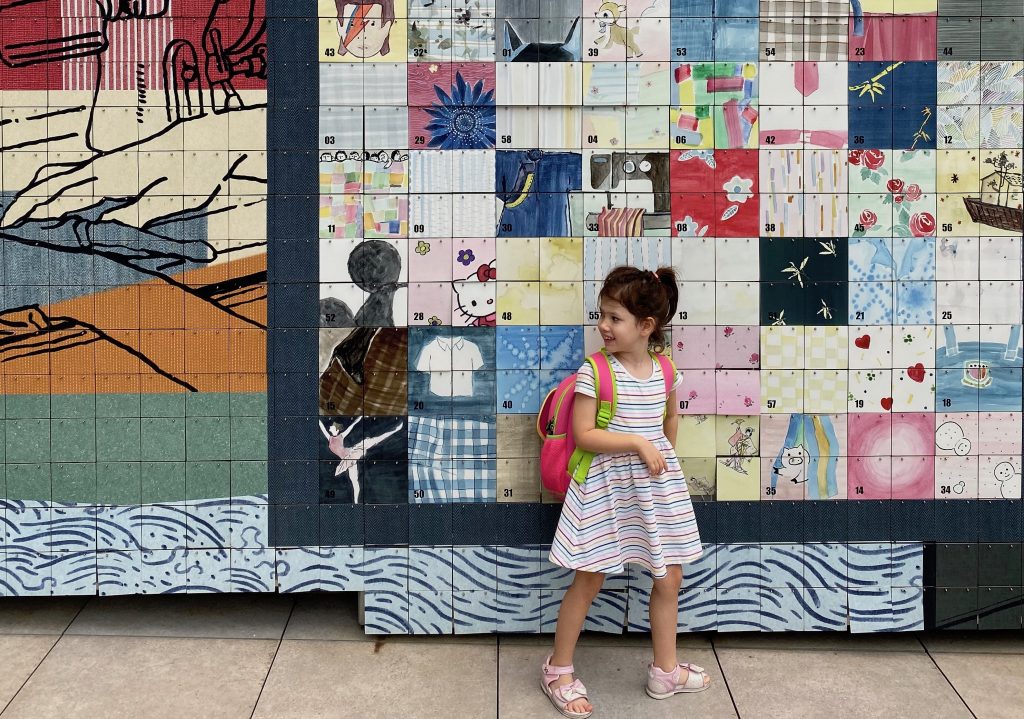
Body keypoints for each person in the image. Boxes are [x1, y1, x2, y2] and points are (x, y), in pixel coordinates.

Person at [541, 266, 710, 718]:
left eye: (614, 317)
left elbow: (671, 416)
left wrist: (663, 456)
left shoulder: (665, 370)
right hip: (605, 491)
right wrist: (639, 443)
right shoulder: (595, 371)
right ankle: (558, 670)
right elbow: (585, 434)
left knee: (668, 577)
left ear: (646, 326)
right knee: (589, 577)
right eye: (603, 315)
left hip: (653, 491)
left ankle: (665, 670)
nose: (603, 325)